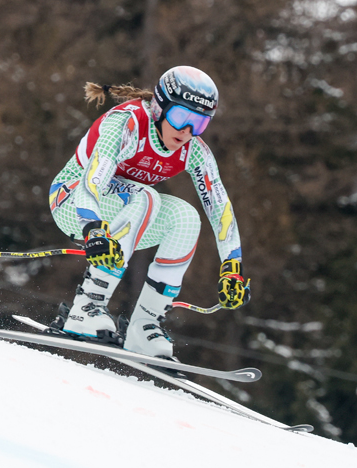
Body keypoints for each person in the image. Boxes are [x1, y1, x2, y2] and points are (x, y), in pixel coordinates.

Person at [48, 66, 249, 360]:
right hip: (73, 202)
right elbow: (93, 179)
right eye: (182, 117)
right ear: (159, 107)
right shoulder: (127, 124)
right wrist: (93, 228)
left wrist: (233, 266)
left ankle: (145, 325)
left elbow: (220, 208)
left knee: (186, 217)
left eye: (199, 123)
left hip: (126, 217)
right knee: (147, 197)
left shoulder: (194, 151)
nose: (187, 131)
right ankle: (87, 306)